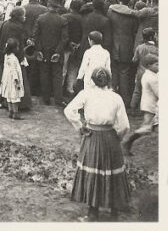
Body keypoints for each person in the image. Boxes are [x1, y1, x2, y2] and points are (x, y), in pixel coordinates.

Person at [63, 67, 130, 221]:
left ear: (92, 80)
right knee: (111, 173)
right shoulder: (116, 98)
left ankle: (93, 212)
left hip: (91, 136)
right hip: (110, 138)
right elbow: (125, 125)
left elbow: (69, 110)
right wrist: (117, 137)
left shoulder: (86, 94)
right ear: (109, 80)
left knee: (93, 172)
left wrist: (80, 127)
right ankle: (114, 213)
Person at [32, 0, 69, 105]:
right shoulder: (62, 20)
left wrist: (39, 49)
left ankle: (46, 98)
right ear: (58, 8)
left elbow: (35, 35)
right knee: (57, 75)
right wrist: (58, 51)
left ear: (48, 6)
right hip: (56, 51)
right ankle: (58, 98)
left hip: (43, 51)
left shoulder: (41, 18)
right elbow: (64, 38)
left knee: (44, 74)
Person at [122, 55, 158, 155]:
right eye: (156, 64)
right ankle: (128, 141)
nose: (158, 66)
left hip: (150, 105)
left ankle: (129, 142)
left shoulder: (149, 75)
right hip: (151, 106)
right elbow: (159, 92)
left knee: (150, 127)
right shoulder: (151, 78)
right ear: (149, 65)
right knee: (147, 128)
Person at [130, 27, 158, 110]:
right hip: (152, 73)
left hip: (140, 71)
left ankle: (133, 108)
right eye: (155, 35)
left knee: (137, 90)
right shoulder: (156, 49)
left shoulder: (140, 47)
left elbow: (134, 59)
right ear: (151, 37)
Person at [0, 38, 25, 120]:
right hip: (13, 80)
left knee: (9, 96)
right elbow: (14, 70)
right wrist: (16, 80)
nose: (18, 48)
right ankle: (15, 113)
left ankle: (10, 111)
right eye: (17, 47)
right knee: (15, 96)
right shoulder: (13, 58)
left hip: (7, 79)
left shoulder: (6, 56)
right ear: (13, 48)